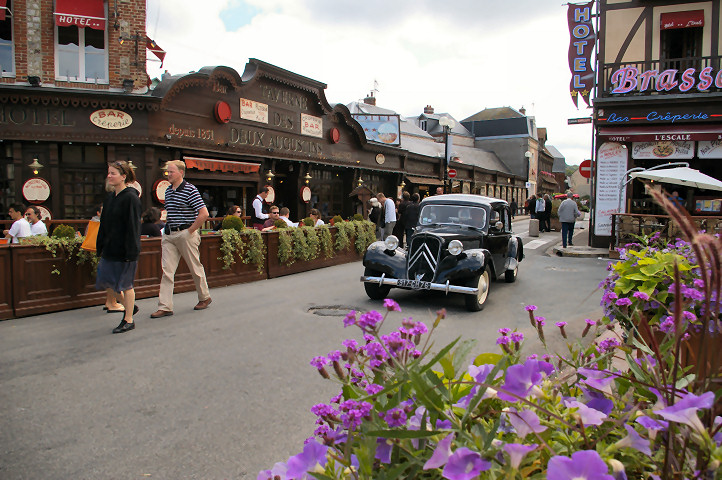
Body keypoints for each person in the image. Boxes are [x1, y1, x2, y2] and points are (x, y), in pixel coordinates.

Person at [151, 160, 212, 318]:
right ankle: (165, 306)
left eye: (171, 172)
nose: (168, 174)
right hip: (170, 234)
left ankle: (204, 297)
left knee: (194, 267)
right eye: (167, 172)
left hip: (185, 233)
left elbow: (204, 213)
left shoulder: (190, 190)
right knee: (166, 271)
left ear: (181, 173)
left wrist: (190, 231)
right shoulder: (168, 191)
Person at [95, 161, 142, 334]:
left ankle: (128, 319)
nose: (109, 176)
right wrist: (100, 245)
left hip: (125, 249)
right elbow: (104, 224)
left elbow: (133, 226)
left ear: (124, 176)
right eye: (109, 173)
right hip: (110, 247)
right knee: (106, 280)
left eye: (113, 173)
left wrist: (131, 250)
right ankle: (129, 306)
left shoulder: (130, 197)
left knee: (126, 284)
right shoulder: (110, 198)